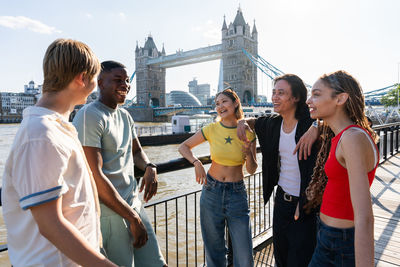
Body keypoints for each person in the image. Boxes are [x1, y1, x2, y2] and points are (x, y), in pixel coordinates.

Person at [2, 39, 117, 266]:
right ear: (82, 78)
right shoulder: (40, 134)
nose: (95, 85)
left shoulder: (55, 128)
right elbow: (50, 225)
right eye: (94, 78)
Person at [73, 61, 166, 267]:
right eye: (117, 80)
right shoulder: (90, 116)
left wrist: (150, 166)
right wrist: (132, 218)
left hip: (133, 203)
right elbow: (94, 176)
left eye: (126, 81)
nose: (125, 85)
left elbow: (136, 151)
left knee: (157, 264)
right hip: (110, 213)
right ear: (100, 83)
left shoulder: (125, 115)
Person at [237, 74, 319, 267]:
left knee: (300, 259)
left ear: (296, 97)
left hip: (306, 203)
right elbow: (252, 122)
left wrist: (318, 126)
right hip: (281, 201)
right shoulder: (273, 123)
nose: (274, 97)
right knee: (281, 256)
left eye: (281, 93)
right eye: (274, 92)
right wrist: (242, 122)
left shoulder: (310, 123)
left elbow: (352, 121)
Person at [306, 70, 379, 267]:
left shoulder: (352, 138)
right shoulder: (342, 136)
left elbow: (365, 217)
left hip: (342, 242)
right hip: (327, 235)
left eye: (316, 94)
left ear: (340, 99)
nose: (308, 101)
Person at [179, 88, 258, 267]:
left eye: (224, 101)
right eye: (217, 103)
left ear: (235, 103)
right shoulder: (212, 129)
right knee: (214, 252)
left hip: (237, 193)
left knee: (244, 256)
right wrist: (196, 162)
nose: (220, 106)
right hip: (211, 190)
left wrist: (248, 154)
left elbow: (252, 169)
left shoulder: (248, 133)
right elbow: (184, 147)